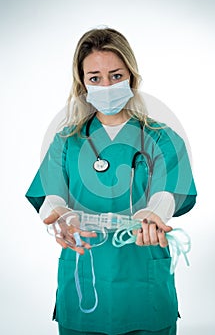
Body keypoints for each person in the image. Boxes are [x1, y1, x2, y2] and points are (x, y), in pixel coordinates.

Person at [25, 27, 197, 335]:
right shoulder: (66, 141)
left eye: (116, 76)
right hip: (83, 278)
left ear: (132, 75)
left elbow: (168, 192)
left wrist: (153, 213)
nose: (106, 85)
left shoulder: (162, 138)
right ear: (83, 83)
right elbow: (51, 196)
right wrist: (61, 218)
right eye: (95, 78)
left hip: (144, 280)